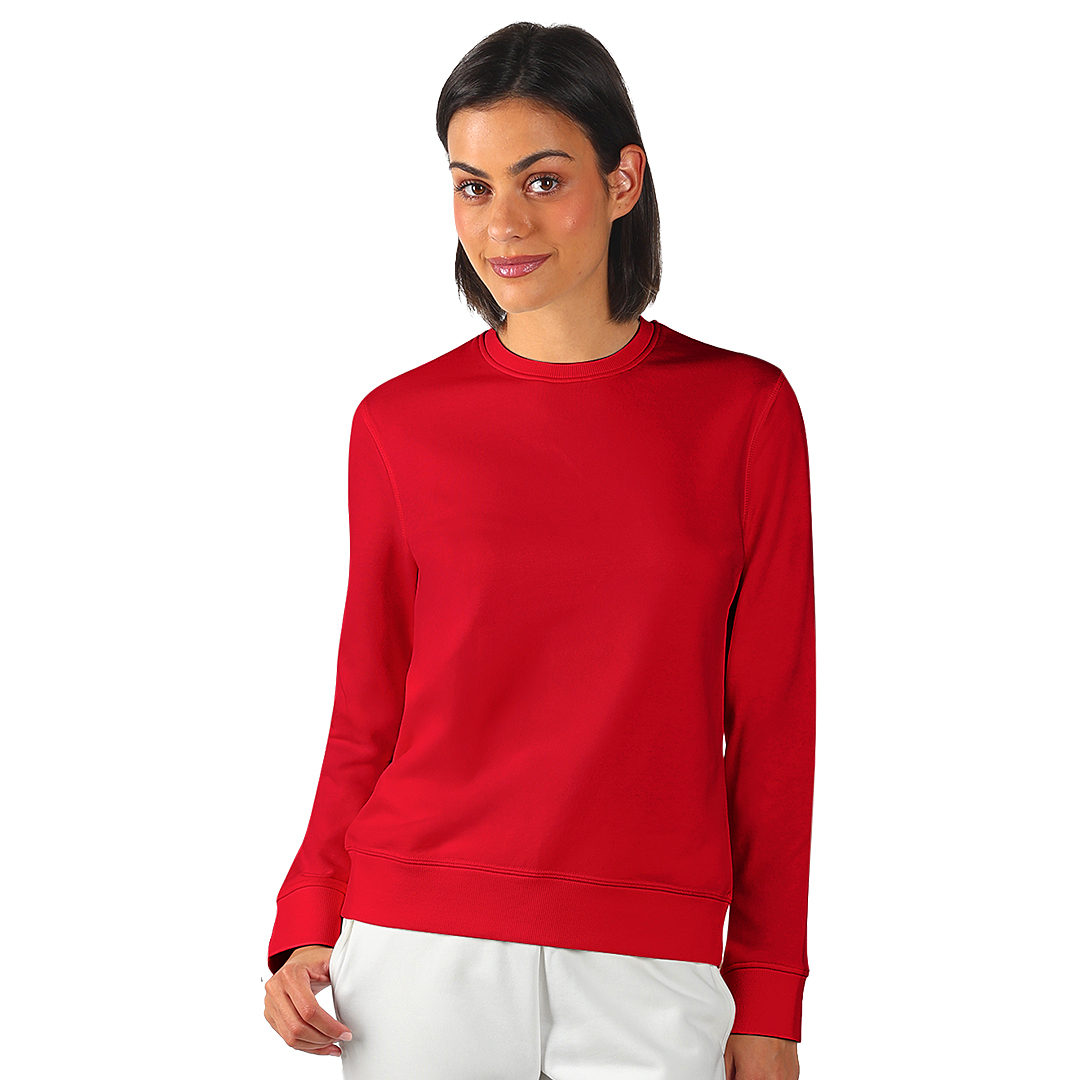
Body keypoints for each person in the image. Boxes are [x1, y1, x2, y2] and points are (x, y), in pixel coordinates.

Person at [262, 21, 814, 1080]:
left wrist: (770, 998)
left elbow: (775, 732)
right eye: (472, 187)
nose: (503, 222)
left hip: (651, 957)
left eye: (543, 180)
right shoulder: (398, 424)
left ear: (623, 180)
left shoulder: (744, 413)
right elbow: (369, 708)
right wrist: (306, 916)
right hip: (416, 946)